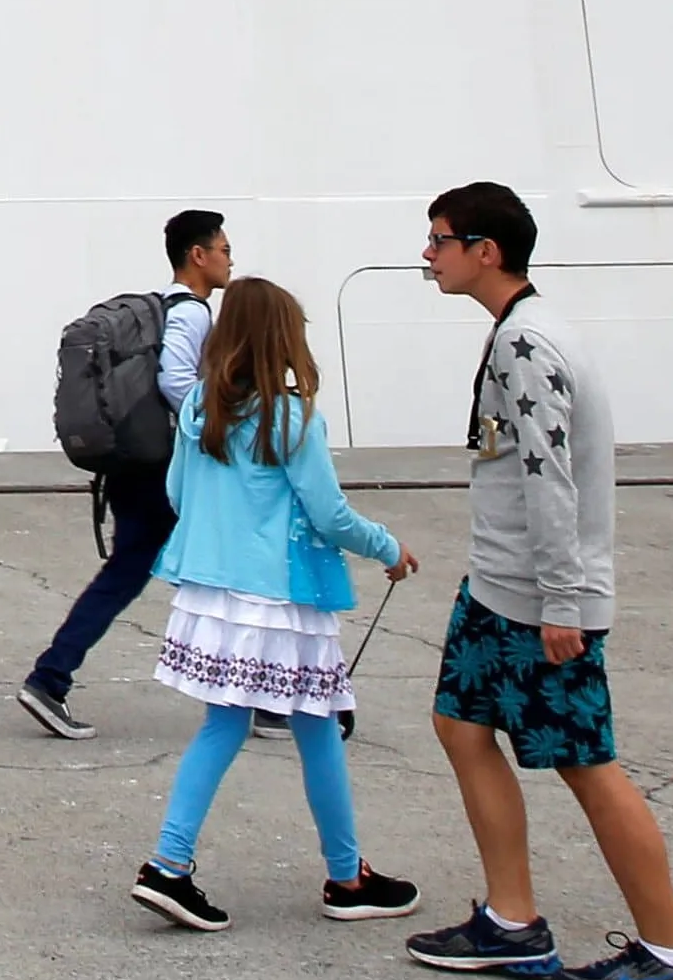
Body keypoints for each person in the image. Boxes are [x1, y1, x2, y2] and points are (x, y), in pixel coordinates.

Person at [403, 183, 673, 980]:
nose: (427, 256)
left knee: (586, 763)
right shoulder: (517, 330)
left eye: (439, 241)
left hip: (538, 602)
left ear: (486, 251)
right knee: (461, 726)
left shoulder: (527, 344)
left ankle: (671, 955)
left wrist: (563, 605)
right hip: (498, 588)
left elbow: (550, 476)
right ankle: (512, 921)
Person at [121, 279, 421, 933]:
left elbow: (178, 493)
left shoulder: (198, 407)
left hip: (211, 593)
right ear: (284, 338)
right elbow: (329, 514)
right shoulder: (293, 417)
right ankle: (329, 876)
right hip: (280, 599)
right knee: (308, 724)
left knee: (248, 724)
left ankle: (191, 864)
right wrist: (388, 547)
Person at [21, 210, 234, 740]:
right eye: (224, 251)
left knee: (172, 573)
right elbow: (176, 380)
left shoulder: (162, 309)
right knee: (221, 573)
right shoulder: (192, 313)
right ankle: (49, 679)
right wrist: (217, 430)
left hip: (136, 464)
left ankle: (52, 676)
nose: (230, 261)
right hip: (161, 471)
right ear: (198, 255)